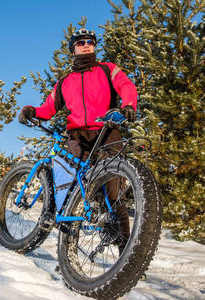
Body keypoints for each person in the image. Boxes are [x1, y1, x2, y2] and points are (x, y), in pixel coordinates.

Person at [18, 28, 138, 254]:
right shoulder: (64, 82)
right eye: (81, 42)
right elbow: (49, 108)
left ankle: (126, 257)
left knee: (114, 193)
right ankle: (68, 256)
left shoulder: (108, 69)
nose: (86, 45)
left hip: (106, 133)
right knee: (70, 195)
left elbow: (126, 86)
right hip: (77, 138)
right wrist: (32, 110)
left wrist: (129, 105)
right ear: (72, 49)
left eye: (90, 42)